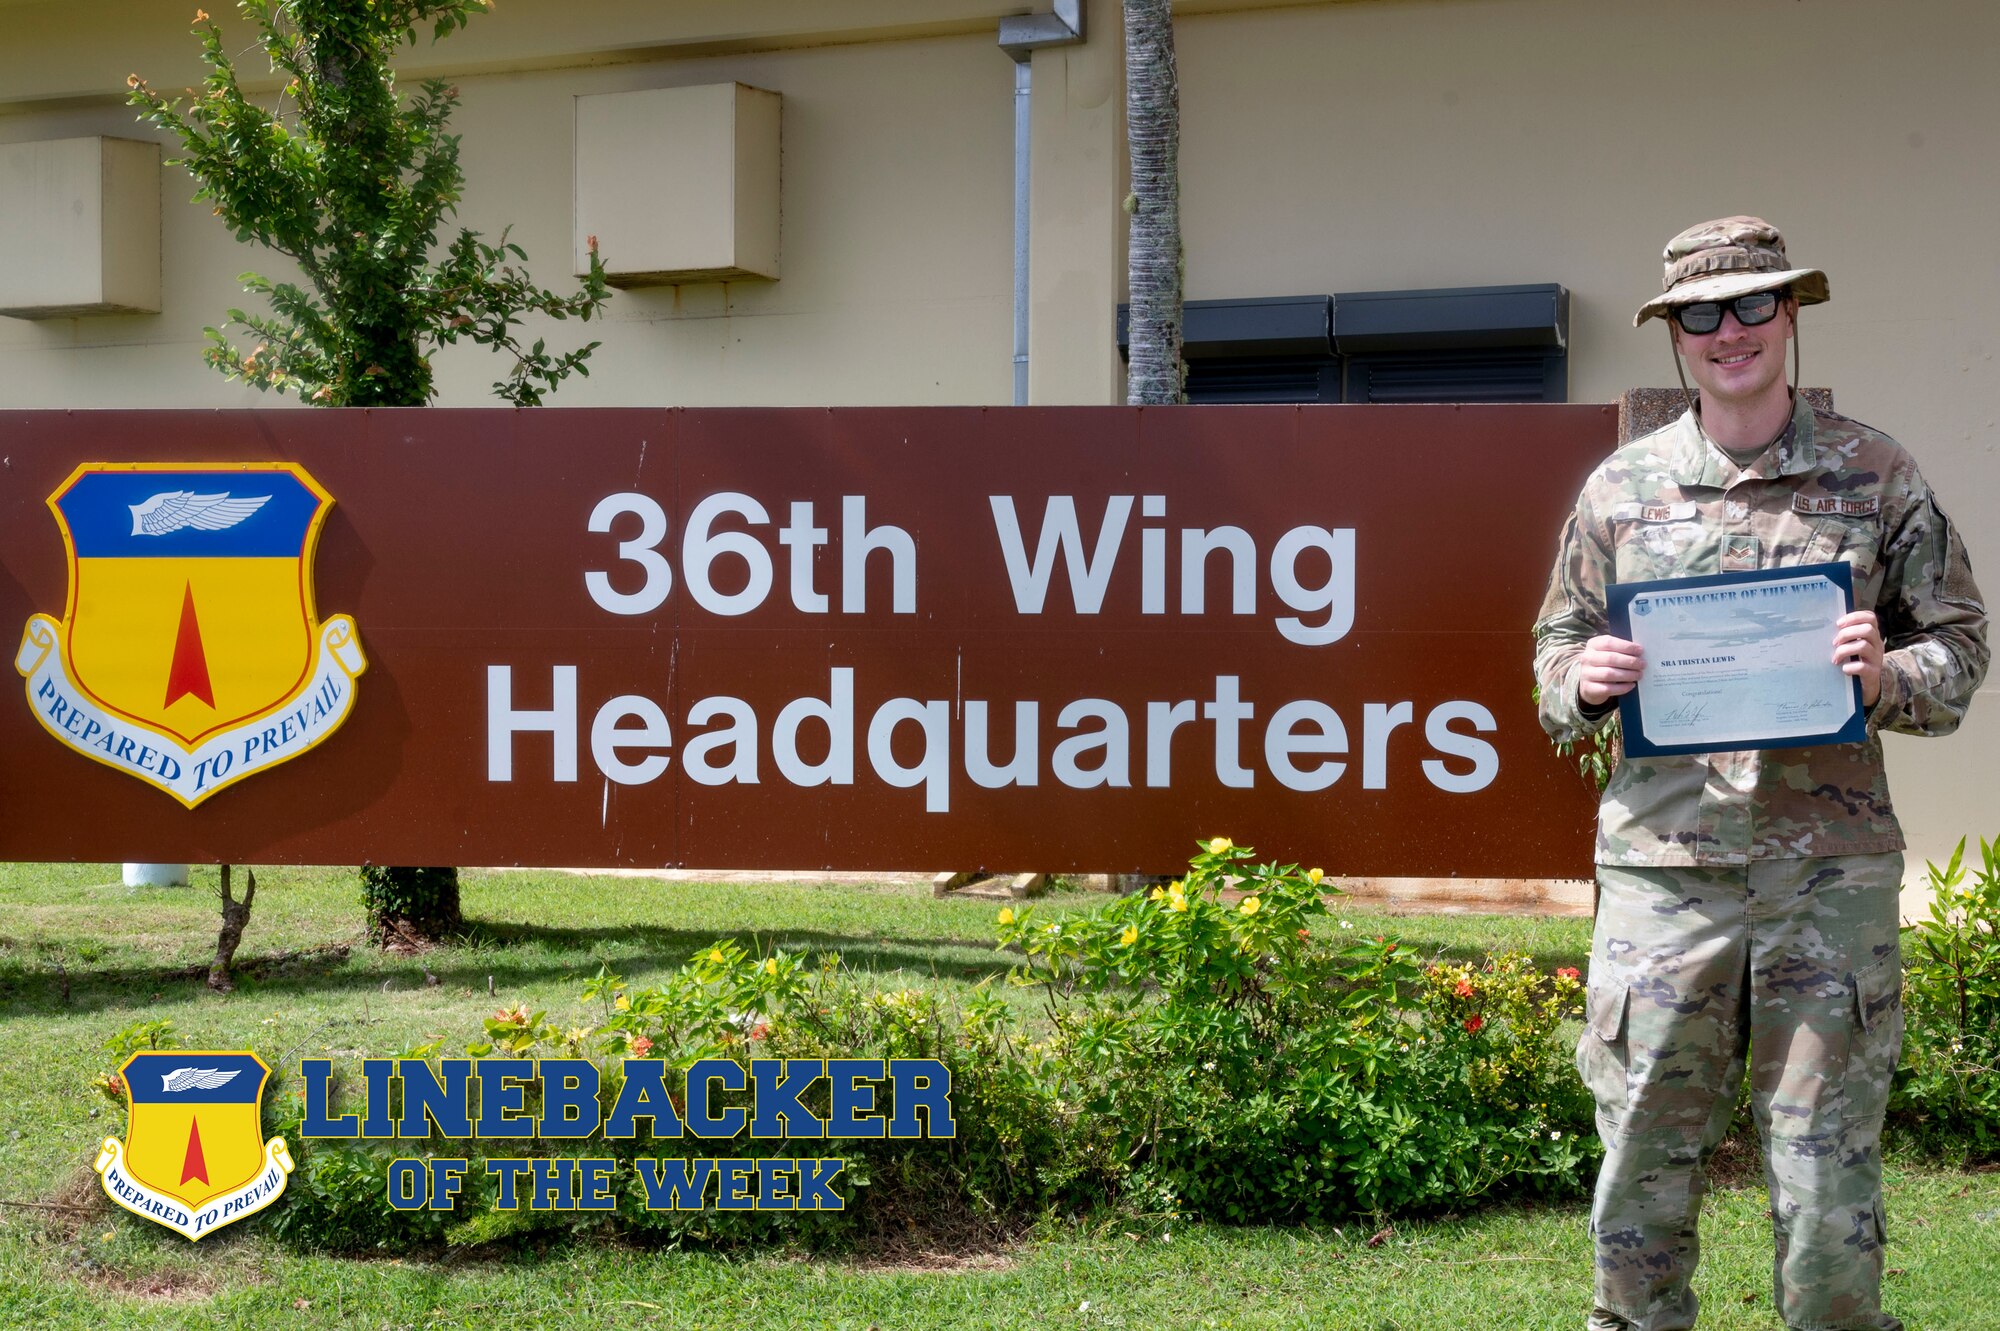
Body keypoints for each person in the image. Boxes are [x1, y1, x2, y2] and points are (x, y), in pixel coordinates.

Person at [1532, 216, 1988, 1331]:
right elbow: (1552, 652)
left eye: (1749, 306)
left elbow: (1960, 646)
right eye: (1698, 314)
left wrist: (1884, 673)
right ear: (1672, 337)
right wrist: (1581, 678)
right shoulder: (1617, 490)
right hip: (1662, 873)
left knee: (1824, 1158)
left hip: (1825, 878)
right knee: (1640, 1151)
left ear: (1789, 313)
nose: (1725, 332)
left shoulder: (1876, 474)